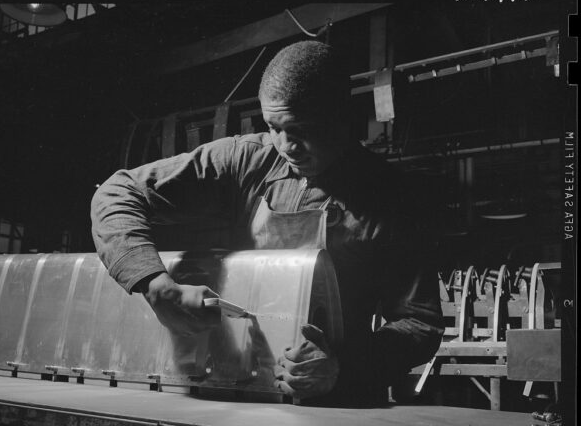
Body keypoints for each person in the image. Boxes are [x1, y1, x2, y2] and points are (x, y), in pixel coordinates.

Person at [91, 40, 444, 407]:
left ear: (341, 115)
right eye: (274, 127)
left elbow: (420, 323)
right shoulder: (246, 161)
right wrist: (155, 284)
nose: (287, 145)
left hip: (334, 400)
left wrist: (342, 368)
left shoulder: (393, 198)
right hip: (235, 387)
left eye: (302, 128)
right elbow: (118, 192)